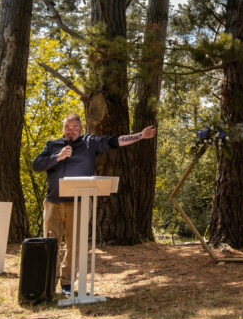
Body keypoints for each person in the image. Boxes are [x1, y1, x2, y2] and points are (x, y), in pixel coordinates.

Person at [32, 114, 156, 296]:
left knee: (75, 245)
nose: (71, 130)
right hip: (53, 203)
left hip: (79, 204)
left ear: (81, 128)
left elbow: (115, 141)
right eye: (68, 127)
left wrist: (140, 135)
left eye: (75, 127)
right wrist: (57, 157)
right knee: (50, 244)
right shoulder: (52, 146)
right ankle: (48, 283)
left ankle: (67, 284)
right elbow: (36, 165)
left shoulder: (90, 143)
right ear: (63, 129)